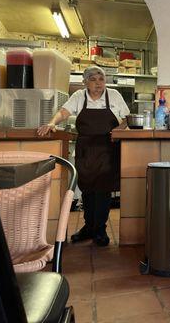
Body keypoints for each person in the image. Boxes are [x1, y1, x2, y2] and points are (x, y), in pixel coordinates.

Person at [38, 66, 129, 246]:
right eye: (93, 79)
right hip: (86, 149)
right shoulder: (79, 96)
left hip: (107, 148)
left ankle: (100, 230)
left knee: (103, 189)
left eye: (101, 79)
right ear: (85, 82)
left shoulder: (114, 95)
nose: (98, 83)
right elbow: (64, 112)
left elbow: (127, 118)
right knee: (87, 188)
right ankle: (89, 227)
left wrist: (119, 129)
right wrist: (51, 123)